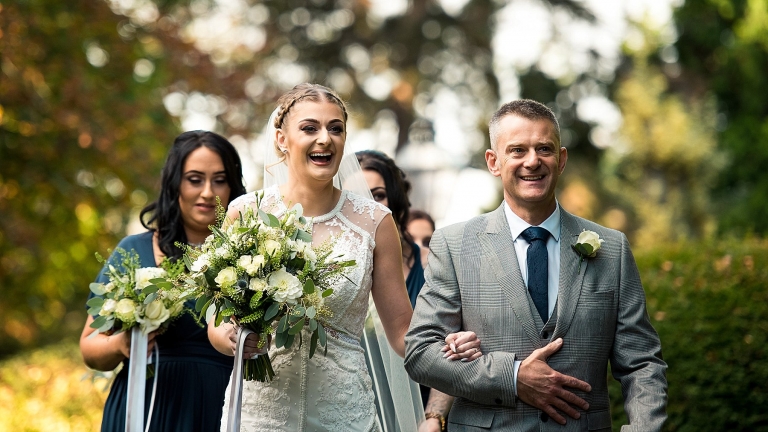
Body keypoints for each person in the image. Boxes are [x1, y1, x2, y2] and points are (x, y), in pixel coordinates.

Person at [208, 83, 479, 432]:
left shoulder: (375, 222)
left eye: (335, 129)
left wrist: (446, 346)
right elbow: (217, 319)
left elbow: (401, 331)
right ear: (281, 139)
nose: (325, 138)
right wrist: (233, 338)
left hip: (343, 411)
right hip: (261, 411)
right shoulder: (246, 214)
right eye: (310, 128)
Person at [404, 99, 668, 431]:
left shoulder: (612, 249)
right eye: (517, 150)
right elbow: (421, 352)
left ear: (561, 159)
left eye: (544, 148)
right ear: (493, 161)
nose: (533, 161)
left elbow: (642, 363)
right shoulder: (454, 245)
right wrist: (512, 377)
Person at [79, 131, 248, 431]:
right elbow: (90, 347)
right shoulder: (135, 250)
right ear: (175, 184)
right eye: (195, 179)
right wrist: (122, 344)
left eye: (219, 180)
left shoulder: (253, 259)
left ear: (233, 186)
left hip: (223, 408)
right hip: (148, 409)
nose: (208, 192)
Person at [356, 150, 456, 432]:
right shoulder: (331, 271)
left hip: (420, 414)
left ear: (397, 202)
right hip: (352, 409)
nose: (365, 208)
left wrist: (433, 418)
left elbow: (449, 343)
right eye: (355, 196)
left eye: (377, 196)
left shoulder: (434, 265)